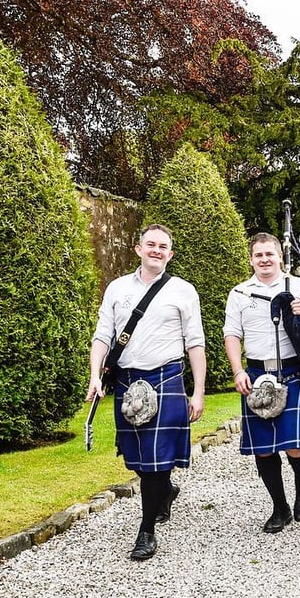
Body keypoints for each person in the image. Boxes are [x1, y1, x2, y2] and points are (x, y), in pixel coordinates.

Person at [87, 223, 206, 562]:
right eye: (150, 244)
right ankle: (165, 491)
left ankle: (146, 530)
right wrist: (96, 376)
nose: (156, 250)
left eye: (162, 246)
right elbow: (102, 335)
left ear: (170, 253)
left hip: (166, 378)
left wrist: (197, 392)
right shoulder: (117, 288)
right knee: (137, 459)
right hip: (127, 380)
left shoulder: (183, 291)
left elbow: (195, 342)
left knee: (155, 461)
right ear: (138, 249)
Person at [224, 232, 300, 533]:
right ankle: (279, 508)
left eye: (269, 254)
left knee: (295, 446)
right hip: (257, 375)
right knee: (264, 449)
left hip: (294, 372)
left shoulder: (298, 286)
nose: (265, 259)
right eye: (258, 255)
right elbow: (232, 334)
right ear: (251, 259)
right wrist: (237, 371)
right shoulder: (240, 293)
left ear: (280, 257)